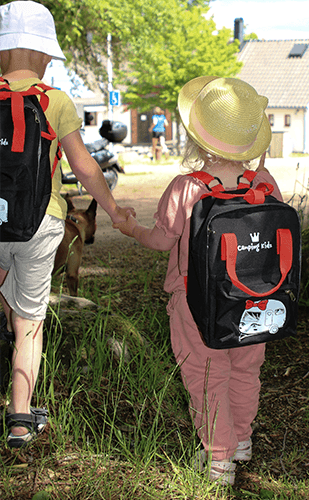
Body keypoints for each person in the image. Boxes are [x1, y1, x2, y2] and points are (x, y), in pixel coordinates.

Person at [114, 76, 279, 485]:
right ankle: (241, 441)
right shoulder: (265, 184)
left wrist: (132, 229)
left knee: (207, 377)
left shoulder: (186, 188)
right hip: (256, 299)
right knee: (245, 371)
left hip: (196, 302)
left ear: (199, 141)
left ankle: (219, 460)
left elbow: (161, 240)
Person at [0, 0, 135, 448]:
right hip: (42, 225)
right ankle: (21, 420)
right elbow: (86, 168)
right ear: (44, 55)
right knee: (29, 326)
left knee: (7, 311)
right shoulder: (55, 101)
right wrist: (113, 211)